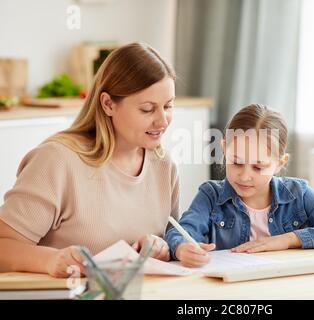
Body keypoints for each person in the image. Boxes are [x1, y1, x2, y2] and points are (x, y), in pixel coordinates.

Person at [0, 42, 179, 278]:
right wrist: (51, 260)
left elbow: (175, 239)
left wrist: (163, 247)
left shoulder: (164, 165)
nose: (162, 121)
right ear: (108, 104)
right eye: (147, 109)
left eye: (168, 106)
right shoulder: (57, 160)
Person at [165, 104, 314, 268]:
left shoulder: (298, 194)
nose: (244, 175)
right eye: (236, 162)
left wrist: (287, 239)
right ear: (224, 149)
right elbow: (182, 231)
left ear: (280, 163)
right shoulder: (211, 195)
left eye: (258, 167)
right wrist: (183, 248)